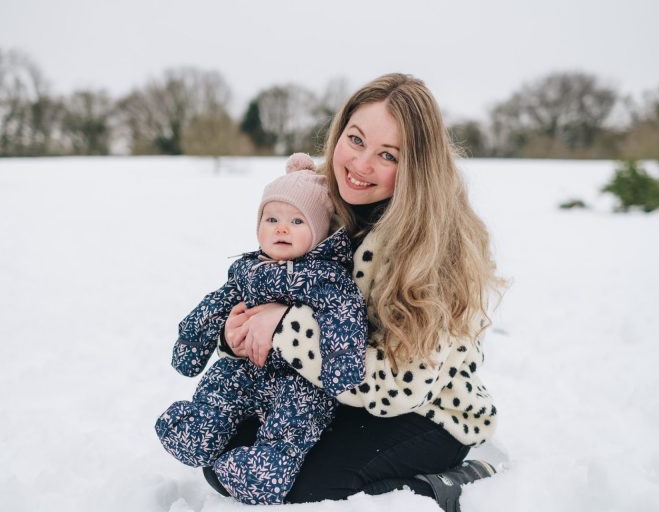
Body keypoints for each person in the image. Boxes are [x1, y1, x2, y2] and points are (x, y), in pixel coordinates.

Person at [210, 73, 503, 511]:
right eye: (356, 139)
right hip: (337, 396)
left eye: (388, 155)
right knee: (226, 455)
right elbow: (273, 286)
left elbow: (400, 387)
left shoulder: (433, 244)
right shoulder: (322, 204)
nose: (360, 164)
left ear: (416, 167)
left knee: (295, 486)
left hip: (426, 413)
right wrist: (242, 329)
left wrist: (285, 329)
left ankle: (446, 483)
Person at [155, 154, 368, 505]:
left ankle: (268, 467)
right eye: (272, 219)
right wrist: (196, 340)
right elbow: (217, 304)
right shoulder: (248, 268)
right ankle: (200, 430)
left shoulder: (323, 275)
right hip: (249, 367)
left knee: (295, 418)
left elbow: (343, 313)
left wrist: (340, 369)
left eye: (297, 221)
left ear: (318, 231)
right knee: (220, 384)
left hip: (299, 380)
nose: (281, 228)